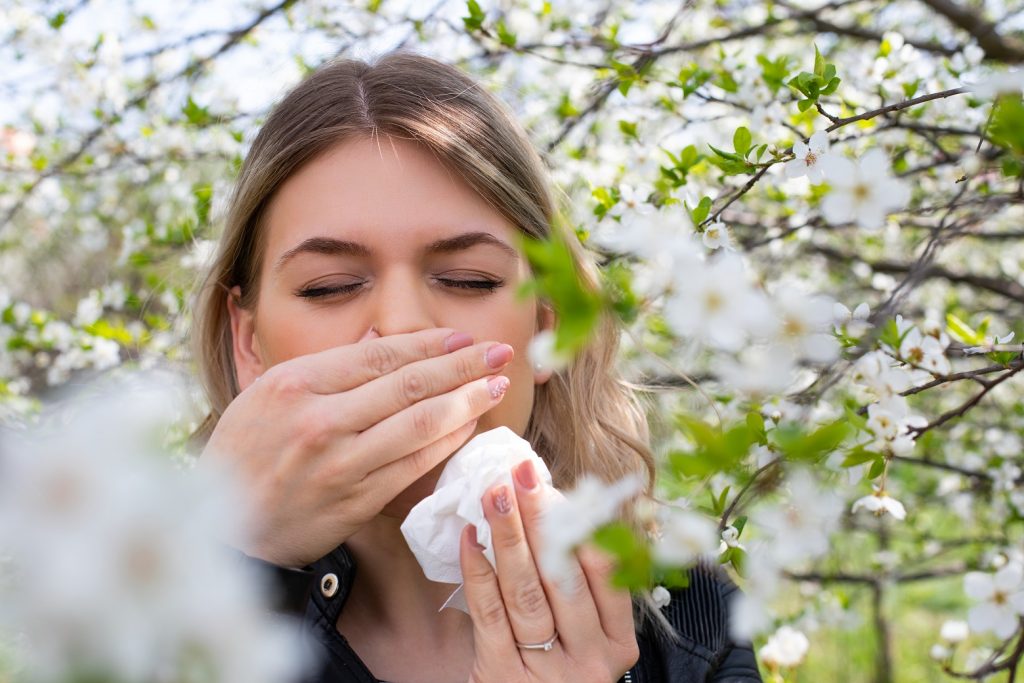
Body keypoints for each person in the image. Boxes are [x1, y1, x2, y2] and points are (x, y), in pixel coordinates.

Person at [189, 50, 761, 683]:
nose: (404, 324)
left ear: (547, 326)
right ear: (249, 344)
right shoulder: (127, 620)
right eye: (329, 286)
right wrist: (240, 569)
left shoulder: (686, 617)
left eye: (469, 279)